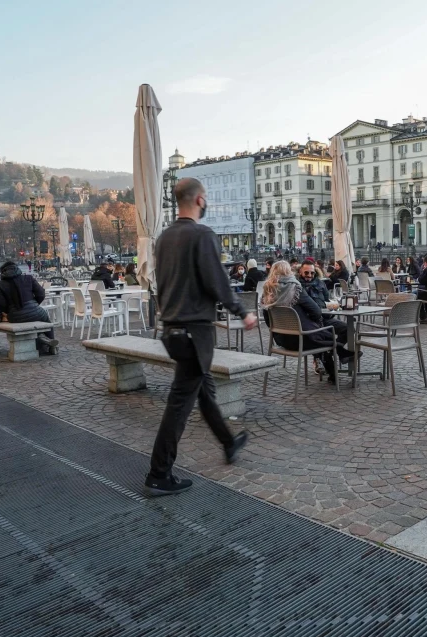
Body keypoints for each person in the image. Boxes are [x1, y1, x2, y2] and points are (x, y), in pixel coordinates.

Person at [146, 178, 255, 496]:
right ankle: (158, 473)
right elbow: (216, 279)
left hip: (173, 330)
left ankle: (228, 441)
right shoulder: (202, 235)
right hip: (195, 332)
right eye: (205, 199)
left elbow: (162, 284)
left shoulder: (164, 238)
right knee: (179, 404)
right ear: (199, 201)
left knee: (203, 389)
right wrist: (242, 311)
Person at [263, 261, 352, 382]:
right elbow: (316, 312)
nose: (309, 275)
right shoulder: (294, 288)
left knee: (322, 334)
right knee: (324, 334)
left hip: (282, 339)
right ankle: (339, 358)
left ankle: (340, 357)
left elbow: (268, 320)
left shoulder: (267, 291)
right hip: (301, 339)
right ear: (290, 272)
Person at [0, 260, 59, 355]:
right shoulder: (28, 278)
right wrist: (34, 304)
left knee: (32, 319)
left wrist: (9, 311)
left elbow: (1, 304)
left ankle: (41, 340)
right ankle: (51, 344)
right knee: (46, 320)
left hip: (15, 316)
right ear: (17, 269)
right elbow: (41, 294)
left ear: (2, 272)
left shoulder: (0, 285)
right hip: (35, 311)